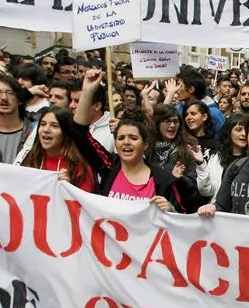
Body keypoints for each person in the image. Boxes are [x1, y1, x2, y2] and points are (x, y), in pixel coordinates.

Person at [70, 69, 187, 211]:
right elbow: (79, 133)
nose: (126, 142)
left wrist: (170, 210)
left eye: (133, 138)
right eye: (120, 138)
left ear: (145, 144)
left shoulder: (163, 181)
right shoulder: (109, 167)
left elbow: (183, 220)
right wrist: (87, 91)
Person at [20, 107, 95, 192]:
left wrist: (68, 187)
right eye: (43, 124)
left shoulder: (78, 165)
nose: (46, 130)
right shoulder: (31, 159)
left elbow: (85, 202)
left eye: (54, 126)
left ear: (66, 132)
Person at [194, 113, 248, 202]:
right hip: (218, 212)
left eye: (248, 130)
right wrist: (201, 164)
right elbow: (206, 191)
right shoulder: (216, 158)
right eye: (238, 130)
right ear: (229, 132)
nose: (244, 134)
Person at [165, 68, 225, 133]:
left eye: (179, 85)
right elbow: (162, 117)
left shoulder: (213, 113)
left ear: (191, 89)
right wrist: (170, 94)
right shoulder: (179, 108)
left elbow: (221, 137)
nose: (176, 89)